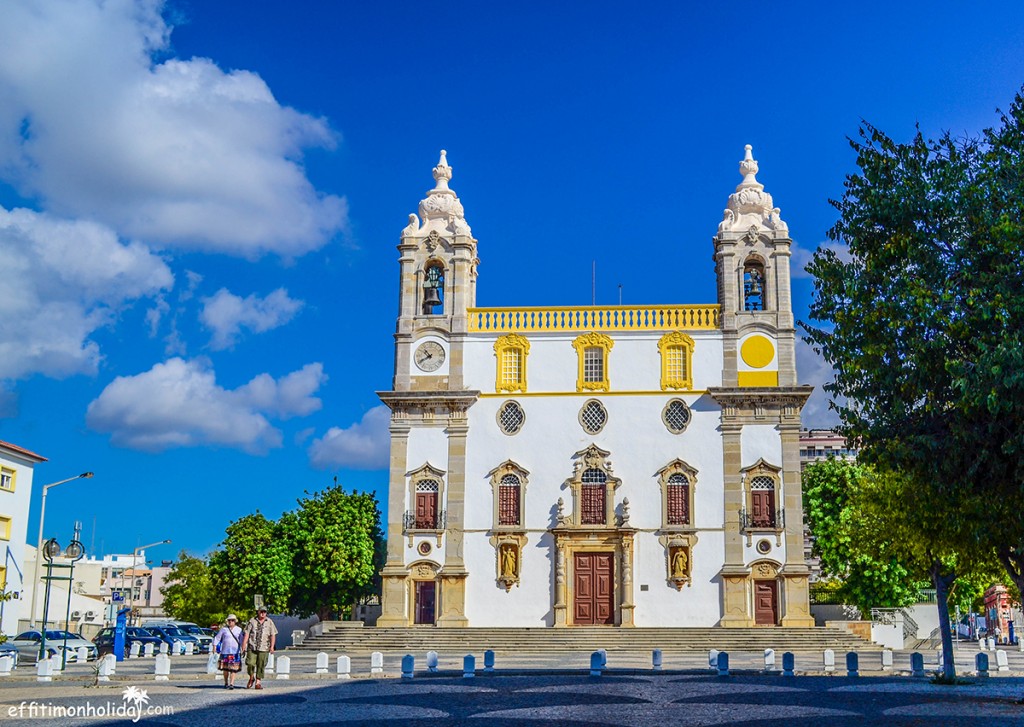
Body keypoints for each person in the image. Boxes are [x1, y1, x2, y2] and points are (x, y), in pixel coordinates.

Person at [241, 607, 277, 690]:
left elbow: (273, 635)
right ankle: (251, 677)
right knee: (250, 663)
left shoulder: (270, 622)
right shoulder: (252, 621)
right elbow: (247, 633)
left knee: (261, 665)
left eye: (264, 612)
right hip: (252, 646)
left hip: (264, 647)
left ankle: (258, 682)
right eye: (261, 611)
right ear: (258, 612)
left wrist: (272, 646)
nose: (263, 613)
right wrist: (243, 645)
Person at [212, 614, 243, 689]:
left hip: (235, 652)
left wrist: (243, 648)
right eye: (229, 620)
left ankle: (231, 683)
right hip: (225, 652)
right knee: (225, 669)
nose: (230, 622)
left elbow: (242, 640)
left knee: (233, 669)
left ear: (235, 621)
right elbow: (217, 638)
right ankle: (226, 682)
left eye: (232, 620)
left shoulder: (239, 630)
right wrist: (214, 647)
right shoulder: (224, 629)